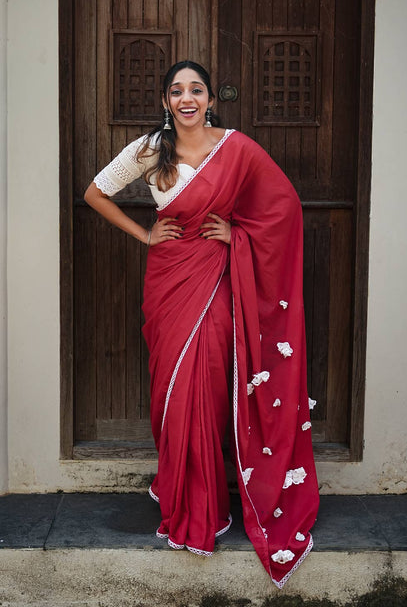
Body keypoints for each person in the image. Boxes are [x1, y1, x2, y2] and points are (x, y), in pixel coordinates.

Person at [84, 60, 319, 588]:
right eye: (176, 91)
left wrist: (237, 235)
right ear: (166, 101)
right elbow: (95, 193)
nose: (186, 98)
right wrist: (144, 235)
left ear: (211, 97)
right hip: (168, 280)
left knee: (206, 387)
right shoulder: (150, 150)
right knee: (171, 388)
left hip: (217, 279)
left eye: (196, 90)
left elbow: (282, 209)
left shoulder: (236, 146)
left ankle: (206, 507)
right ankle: (180, 490)